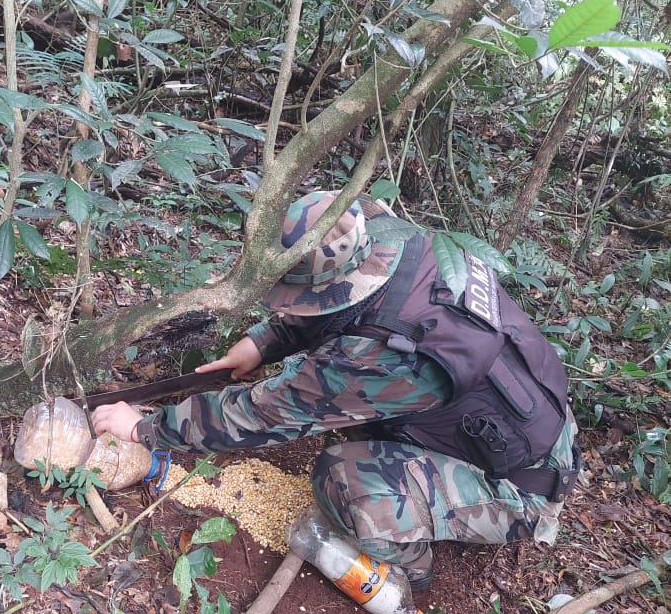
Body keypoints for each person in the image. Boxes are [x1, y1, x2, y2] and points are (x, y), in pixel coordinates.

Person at [91, 191, 580, 592]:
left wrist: (144, 427)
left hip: (521, 485)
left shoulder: (383, 359)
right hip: (526, 414)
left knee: (343, 479)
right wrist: (263, 342)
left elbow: (262, 416)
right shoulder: (408, 248)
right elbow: (352, 310)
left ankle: (410, 562)